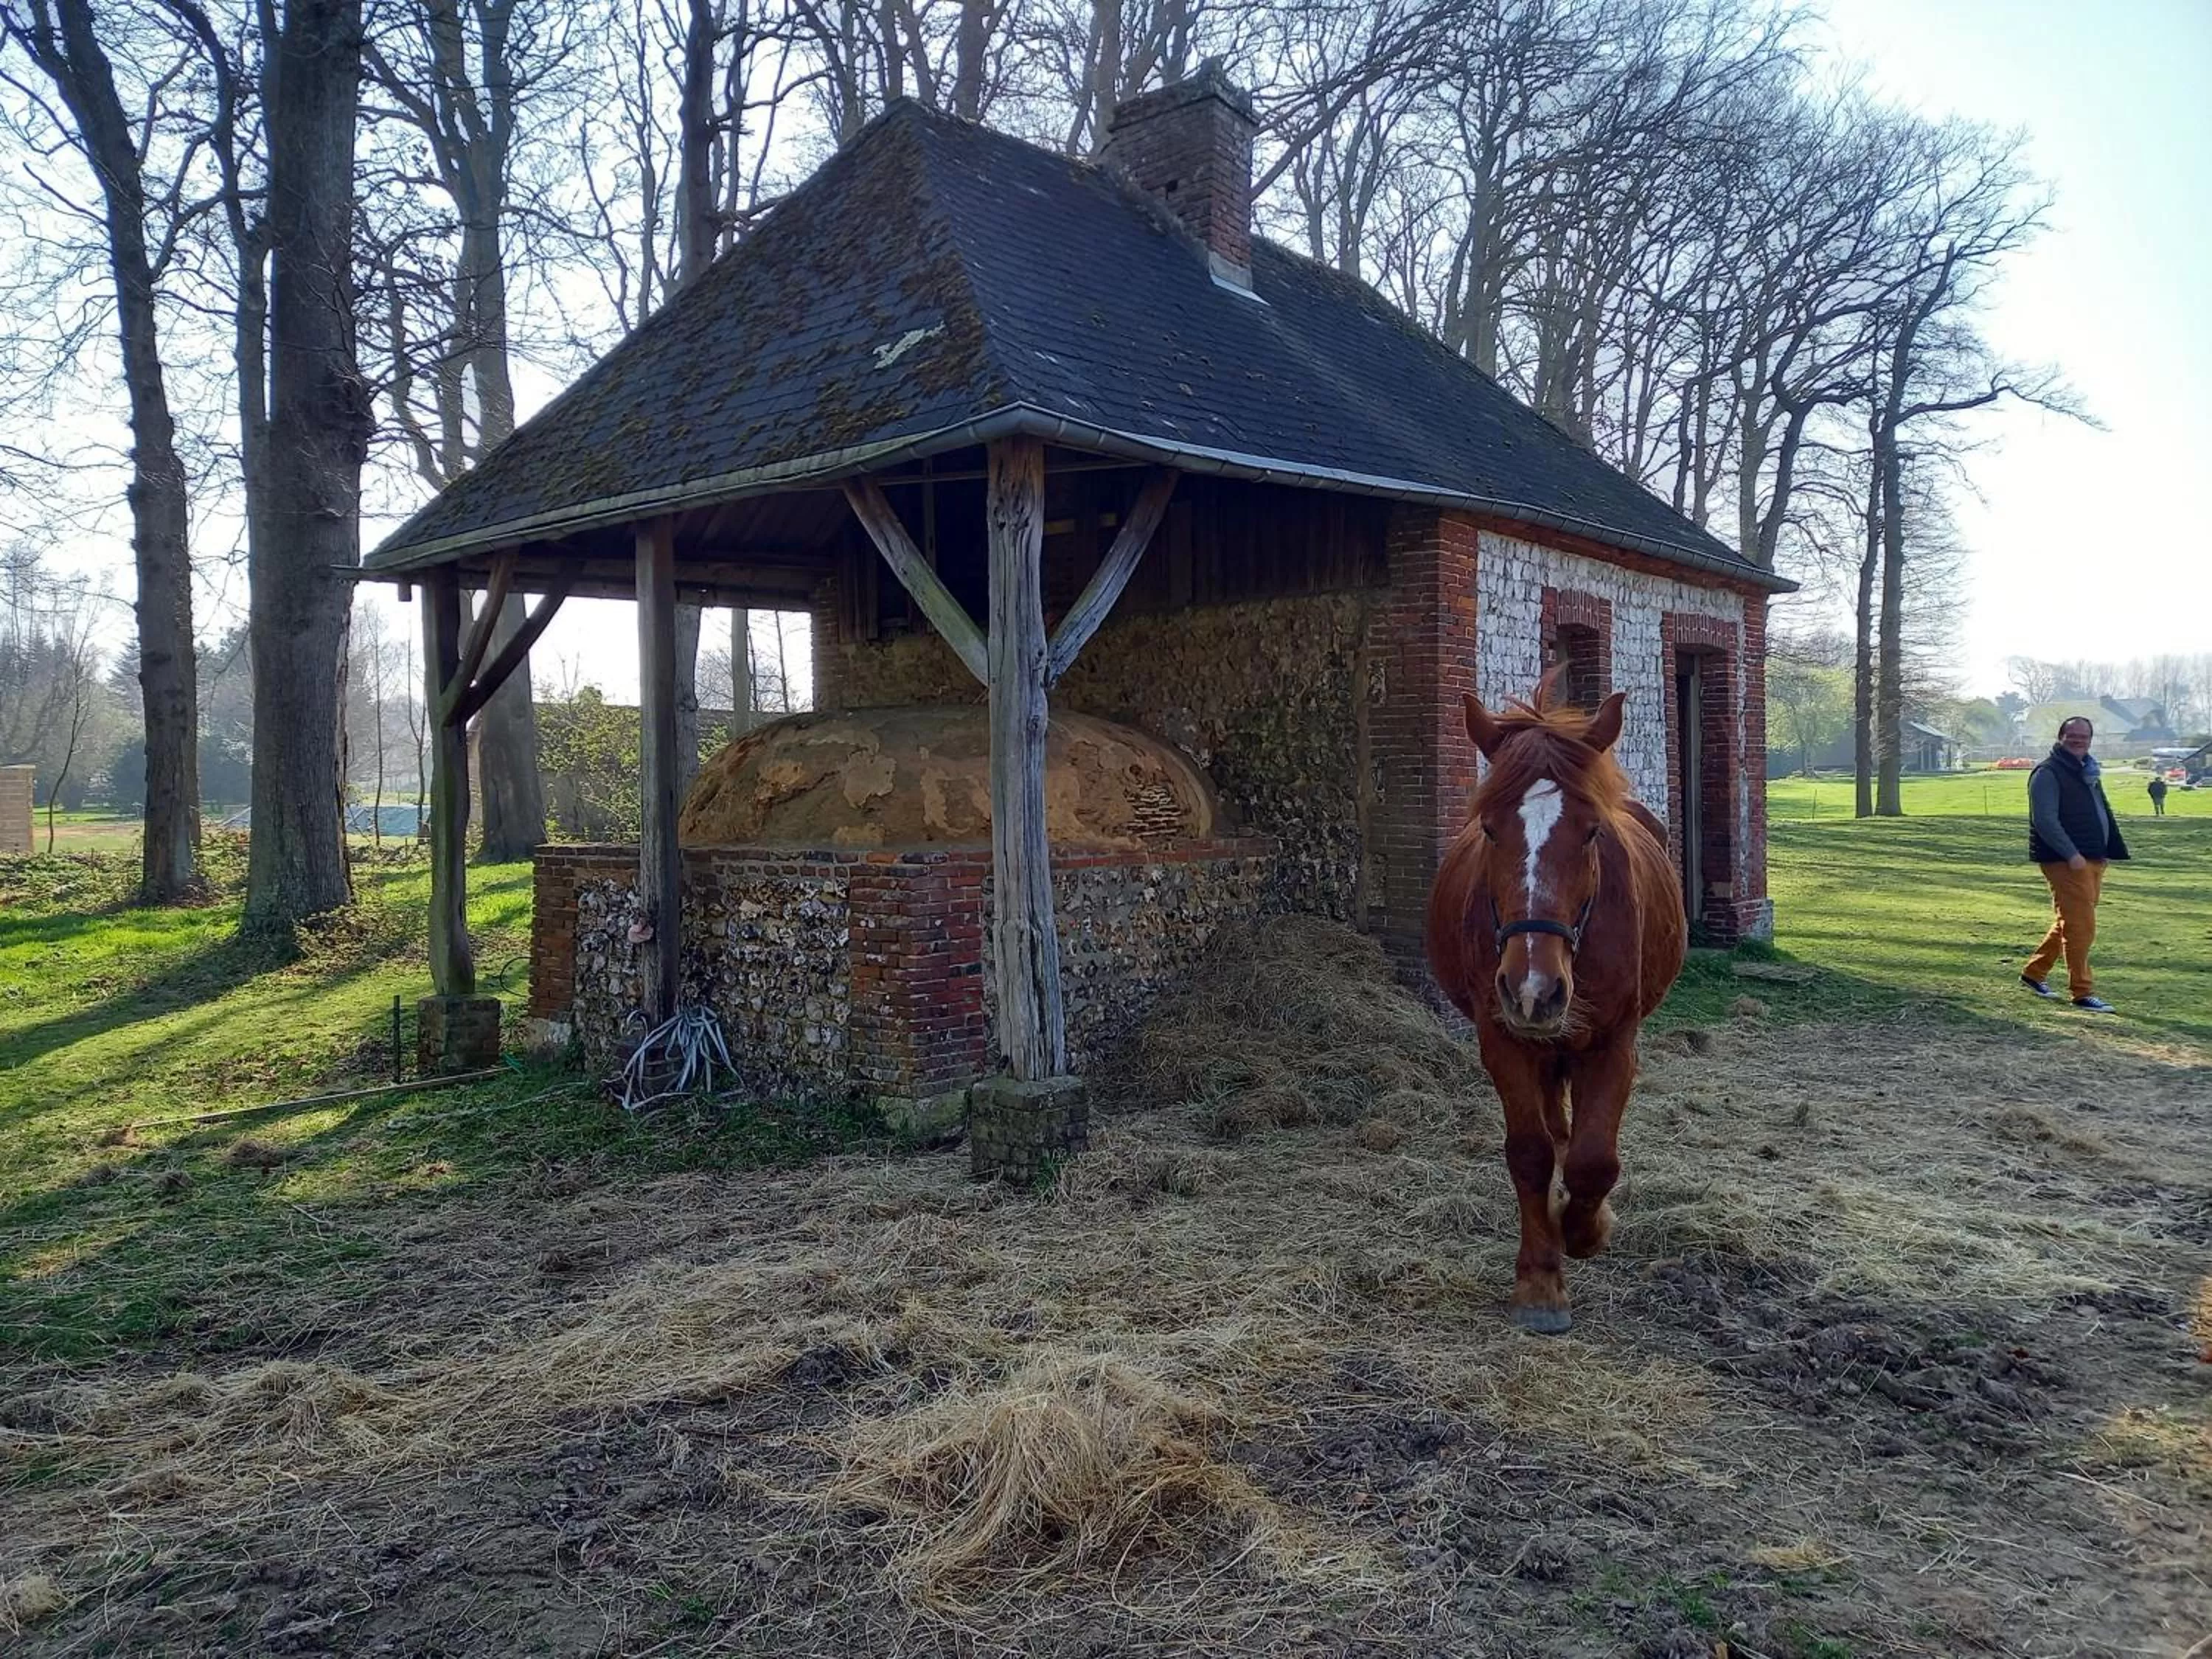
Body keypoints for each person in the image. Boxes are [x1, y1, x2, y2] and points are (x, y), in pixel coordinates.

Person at [2020, 717, 2129, 1012]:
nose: (2079, 740)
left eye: (2084, 736)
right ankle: (2082, 992)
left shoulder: (2087, 771)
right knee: (2082, 927)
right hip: (2066, 861)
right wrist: (2071, 854)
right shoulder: (2048, 773)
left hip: (2092, 858)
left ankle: (2034, 973)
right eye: (2072, 735)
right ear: (2061, 737)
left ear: (2091, 740)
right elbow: (2044, 821)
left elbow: (2099, 810)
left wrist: (2106, 849)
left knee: (2071, 921)